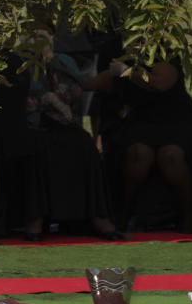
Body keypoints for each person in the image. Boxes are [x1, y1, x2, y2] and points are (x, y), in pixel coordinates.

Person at [85, 57, 192, 233]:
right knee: (138, 154)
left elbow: (159, 83)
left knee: (171, 156)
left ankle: (189, 213)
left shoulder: (167, 54)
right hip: (143, 122)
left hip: (177, 121)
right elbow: (91, 83)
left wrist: (126, 71)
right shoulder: (122, 56)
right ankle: (123, 213)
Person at [24, 50, 120, 239]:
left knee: (84, 144)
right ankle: (35, 220)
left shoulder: (64, 61)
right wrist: (47, 99)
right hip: (36, 126)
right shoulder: (22, 62)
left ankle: (97, 216)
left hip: (66, 125)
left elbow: (82, 86)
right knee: (41, 148)